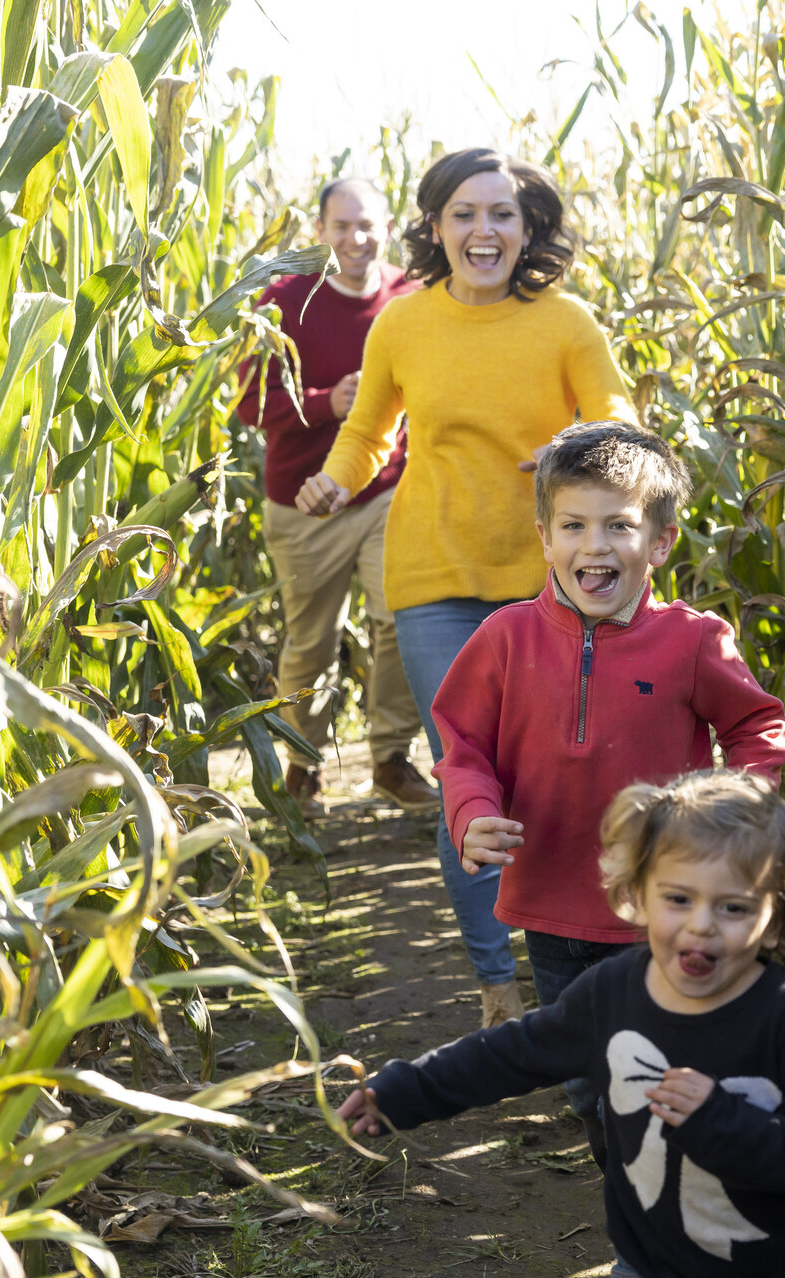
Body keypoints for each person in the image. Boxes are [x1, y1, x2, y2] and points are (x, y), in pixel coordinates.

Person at [296, 148, 635, 1026]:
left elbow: (618, 418)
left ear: (528, 229)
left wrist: (578, 447)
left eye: (502, 215)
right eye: (465, 214)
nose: (484, 231)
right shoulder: (404, 324)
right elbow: (368, 432)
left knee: (558, 779)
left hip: (550, 582)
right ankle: (496, 986)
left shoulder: (565, 322)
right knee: (469, 776)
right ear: (437, 227)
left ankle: (570, 975)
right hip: (434, 577)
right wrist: (334, 480)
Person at [335, 771, 785, 1278]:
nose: (701, 925)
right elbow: (511, 1054)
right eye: (678, 899)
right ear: (637, 895)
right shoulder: (612, 995)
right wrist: (404, 1092)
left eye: (733, 908)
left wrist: (719, 1121)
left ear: (775, 920)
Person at [429, 420, 785, 1149]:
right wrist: (471, 812)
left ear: (659, 543)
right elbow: (462, 743)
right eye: (573, 526)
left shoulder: (693, 640)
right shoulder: (505, 639)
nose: (593, 545)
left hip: (663, 904)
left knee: (657, 1075)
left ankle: (664, 1183)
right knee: (590, 1080)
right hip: (551, 905)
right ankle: (619, 1148)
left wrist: (739, 807)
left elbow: (757, 724)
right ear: (544, 538)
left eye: (618, 526)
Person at [236, 178, 437, 817]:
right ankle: (305, 764)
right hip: (302, 501)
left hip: (386, 492)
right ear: (320, 231)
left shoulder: (411, 298)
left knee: (399, 622)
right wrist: (327, 403)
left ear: (388, 227)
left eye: (368, 225)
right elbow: (248, 403)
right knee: (310, 642)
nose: (356, 238)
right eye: (342, 226)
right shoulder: (283, 301)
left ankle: (391, 759)